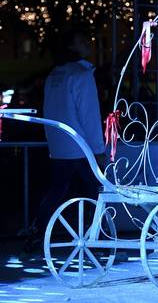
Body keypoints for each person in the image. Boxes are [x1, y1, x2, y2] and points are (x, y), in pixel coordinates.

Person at [24, 27, 106, 252]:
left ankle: (37, 231)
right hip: (80, 144)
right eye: (82, 39)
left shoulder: (55, 74)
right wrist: (99, 149)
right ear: (71, 46)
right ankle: (95, 236)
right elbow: (89, 115)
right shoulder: (81, 74)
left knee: (58, 189)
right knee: (98, 190)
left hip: (60, 142)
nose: (87, 43)